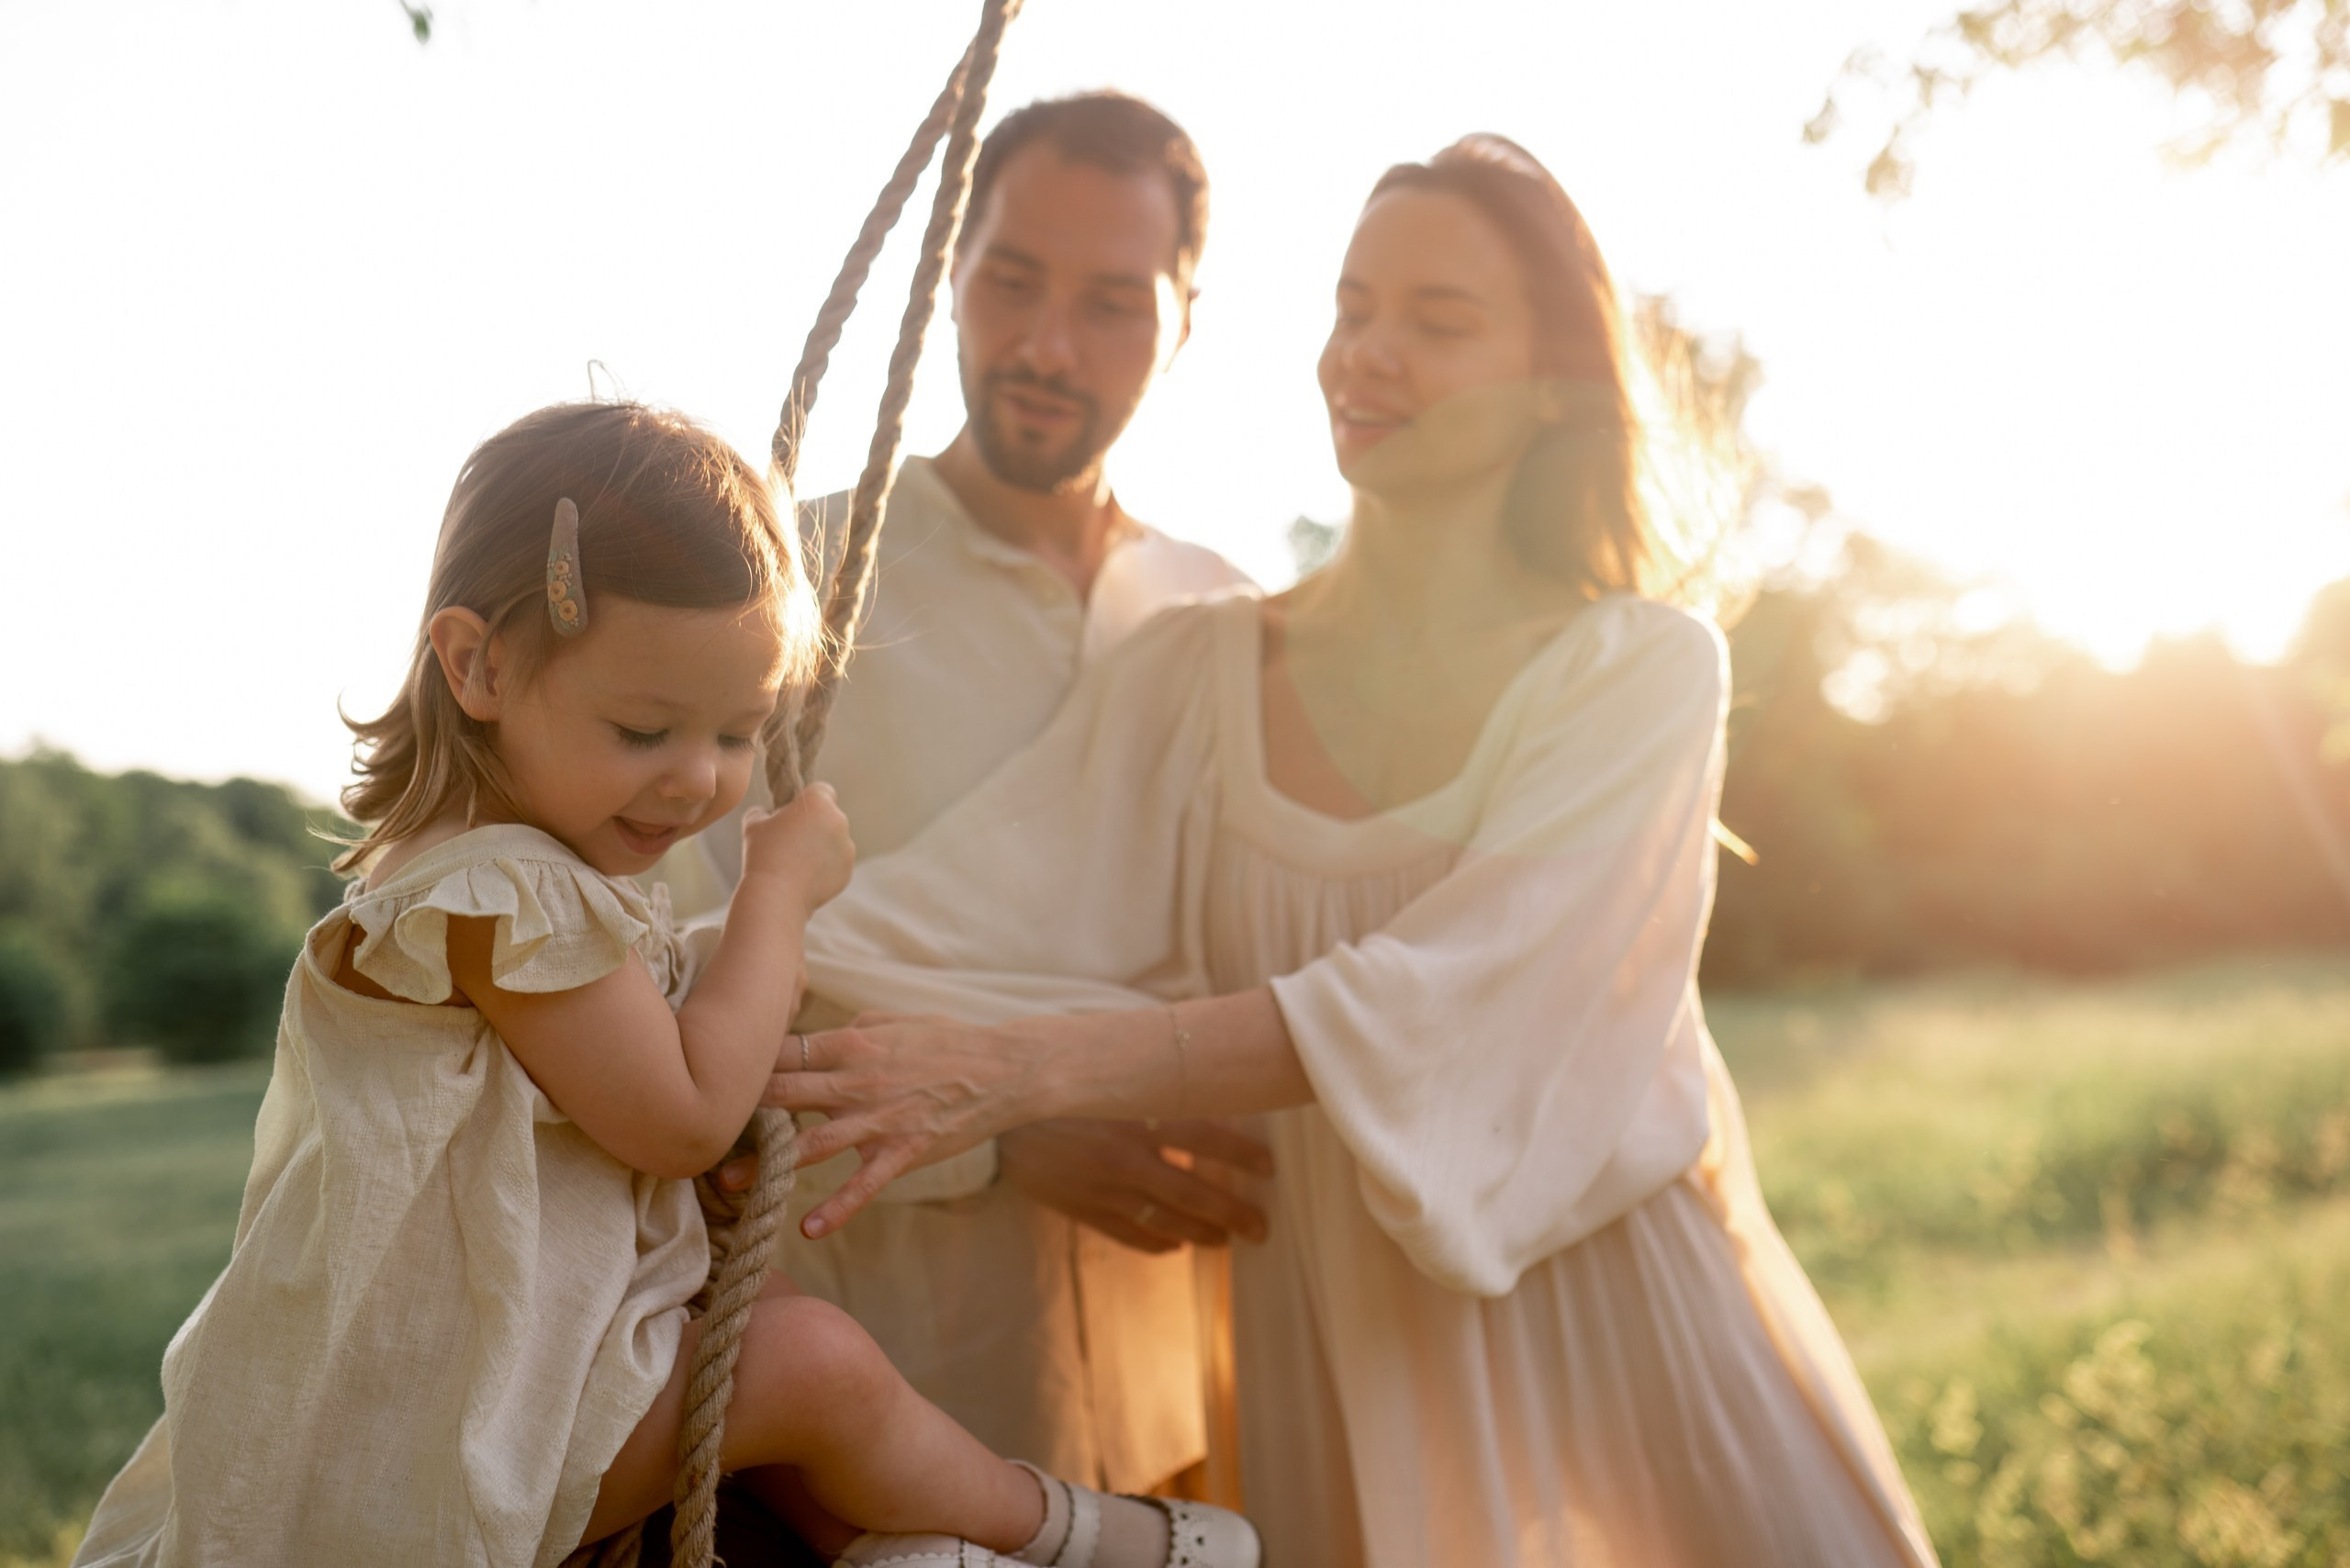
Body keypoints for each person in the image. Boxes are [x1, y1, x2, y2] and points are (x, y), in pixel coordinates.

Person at [764, 137, 1943, 1566]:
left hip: (1617, 1323)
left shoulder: (1640, 673)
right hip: (1318, 1336)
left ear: (1557, 386)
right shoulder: (1191, 668)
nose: (1366, 355)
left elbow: (1445, 1000)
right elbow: (913, 929)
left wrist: (1020, 1071)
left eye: (1438, 323)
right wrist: (685, 988)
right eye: (1352, 306)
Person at [71, 402, 1258, 1568]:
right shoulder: (495, 898)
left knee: (777, 1331)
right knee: (814, 1371)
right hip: (444, 1443)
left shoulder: (521, 877)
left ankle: (912, 1550)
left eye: (739, 735)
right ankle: (1071, 1535)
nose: (699, 782)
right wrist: (774, 902)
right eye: (646, 730)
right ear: (476, 663)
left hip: (529, 1374)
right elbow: (683, 1115)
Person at [675, 92, 1264, 1498]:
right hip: (862, 1387)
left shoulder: (1229, 618)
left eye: (1116, 302)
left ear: (1187, 321)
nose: (1048, 347)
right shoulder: (778, 594)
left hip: (1190, 1377)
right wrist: (997, 1136)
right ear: (950, 271)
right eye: (1011, 280)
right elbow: (652, 1004)